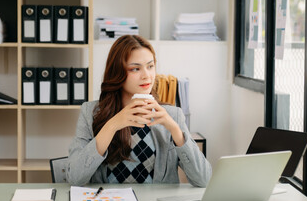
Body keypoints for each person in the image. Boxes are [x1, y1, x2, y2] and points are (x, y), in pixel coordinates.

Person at [67, 35, 212, 187]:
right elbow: (75, 178)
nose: (146, 75)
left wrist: (175, 129)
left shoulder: (173, 115)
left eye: (150, 66)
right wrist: (112, 126)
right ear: (117, 72)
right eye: (135, 69)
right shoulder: (90, 113)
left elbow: (204, 180)